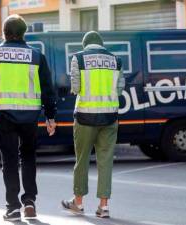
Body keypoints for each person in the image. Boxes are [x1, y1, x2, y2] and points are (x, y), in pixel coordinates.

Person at [0, 14, 57, 221]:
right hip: (30, 117)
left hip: (4, 117)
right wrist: (50, 116)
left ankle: (12, 208)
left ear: (4, 33)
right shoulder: (37, 56)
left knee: (9, 162)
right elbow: (48, 90)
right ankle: (29, 202)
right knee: (28, 158)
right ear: (23, 34)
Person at [61, 31, 125, 218]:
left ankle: (78, 202)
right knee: (105, 161)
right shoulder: (116, 60)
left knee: (82, 160)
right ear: (101, 44)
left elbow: (75, 87)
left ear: (85, 44)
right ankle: (103, 206)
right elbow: (120, 88)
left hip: (85, 118)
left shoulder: (78, 59)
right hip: (110, 117)